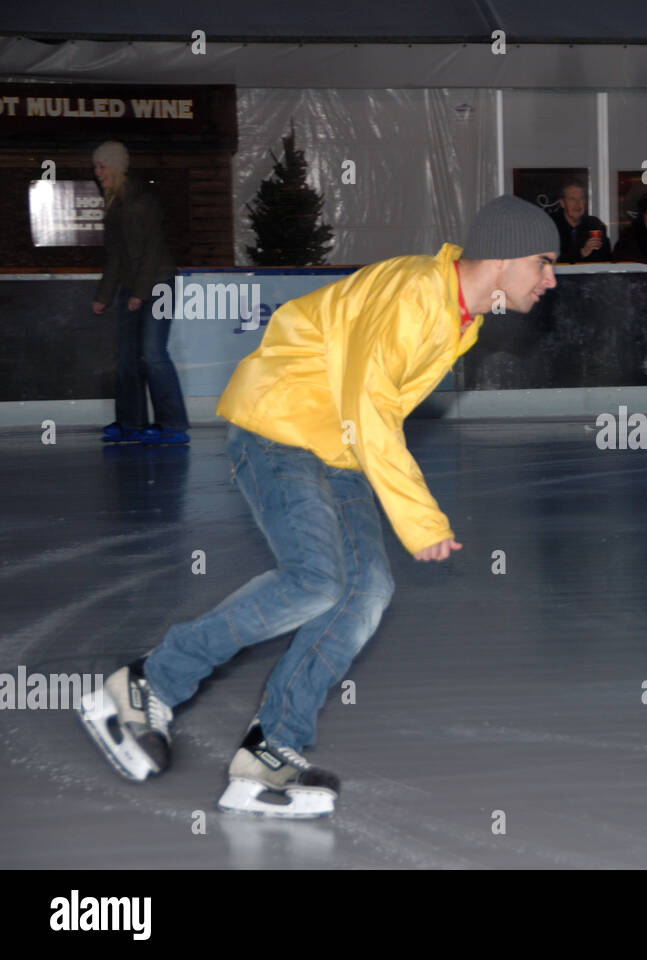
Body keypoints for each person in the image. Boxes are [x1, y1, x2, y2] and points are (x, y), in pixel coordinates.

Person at [77, 195, 560, 818]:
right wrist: (421, 520)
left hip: (337, 450)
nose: (551, 279)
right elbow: (370, 406)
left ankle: (268, 751)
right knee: (314, 581)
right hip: (283, 427)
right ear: (502, 256)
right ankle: (146, 685)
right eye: (544, 262)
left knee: (365, 592)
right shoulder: (417, 293)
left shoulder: (457, 315)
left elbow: (366, 414)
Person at [91, 141, 190, 445]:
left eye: (101, 166)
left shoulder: (141, 201)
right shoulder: (115, 204)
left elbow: (153, 250)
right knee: (126, 358)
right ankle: (131, 422)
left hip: (158, 284)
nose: (97, 173)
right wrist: (104, 295)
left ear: (116, 167)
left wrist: (139, 293)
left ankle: (173, 424)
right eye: (96, 167)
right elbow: (117, 257)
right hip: (134, 286)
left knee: (152, 353)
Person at [550, 178, 611, 263]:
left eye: (581, 199)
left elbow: (606, 260)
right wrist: (581, 253)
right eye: (572, 199)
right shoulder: (551, 226)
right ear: (562, 203)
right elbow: (547, 260)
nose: (577, 204)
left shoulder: (594, 224)